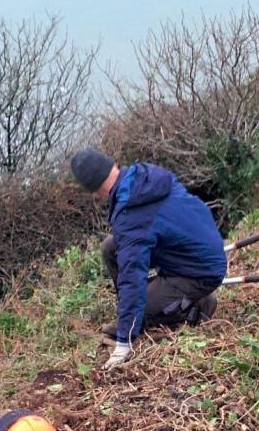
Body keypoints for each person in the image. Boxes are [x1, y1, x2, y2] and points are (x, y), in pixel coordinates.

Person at [69, 149, 226, 370]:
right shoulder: (142, 178)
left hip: (201, 270)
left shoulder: (132, 216)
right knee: (111, 248)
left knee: (139, 309)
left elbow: (133, 275)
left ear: (94, 191)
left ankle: (197, 306)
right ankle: (135, 308)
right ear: (113, 163)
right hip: (190, 248)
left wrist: (124, 342)